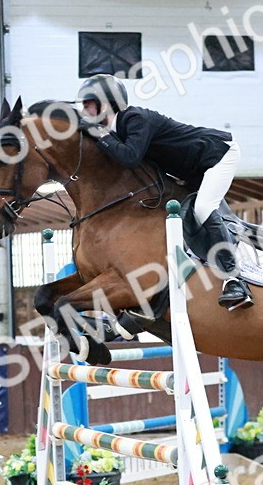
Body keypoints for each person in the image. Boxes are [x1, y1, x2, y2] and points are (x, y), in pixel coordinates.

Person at [76, 74, 253, 310]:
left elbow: (129, 158)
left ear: (106, 104)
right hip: (191, 170)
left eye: (88, 104)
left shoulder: (135, 118)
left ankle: (234, 280)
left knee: (202, 209)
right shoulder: (117, 132)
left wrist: (98, 133)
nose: (84, 111)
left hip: (218, 155)